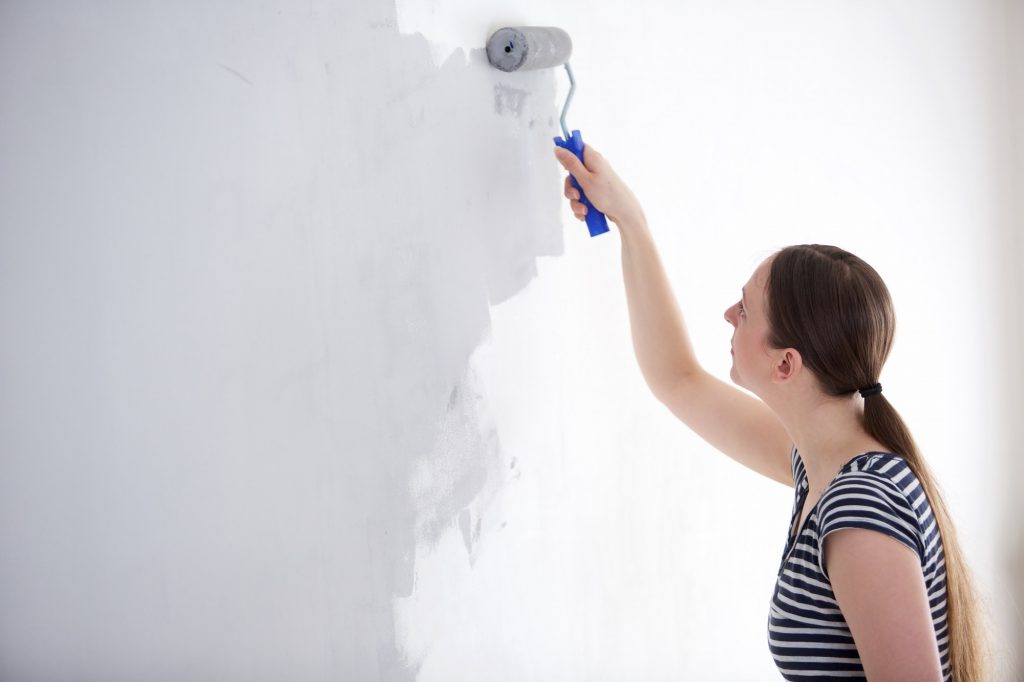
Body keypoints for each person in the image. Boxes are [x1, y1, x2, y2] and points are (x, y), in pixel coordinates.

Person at [553, 144, 990, 681]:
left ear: (786, 364)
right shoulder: (822, 460)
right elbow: (677, 379)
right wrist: (630, 220)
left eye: (745, 309)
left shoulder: (860, 509)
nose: (728, 315)